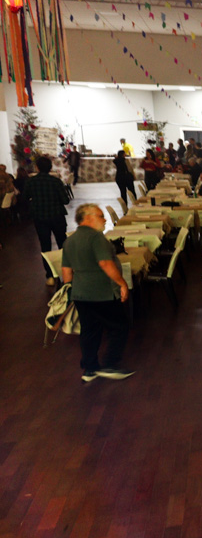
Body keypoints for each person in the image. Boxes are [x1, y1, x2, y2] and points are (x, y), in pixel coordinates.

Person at [59, 204, 133, 382]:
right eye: (100, 216)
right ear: (88, 218)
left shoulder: (70, 240)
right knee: (119, 326)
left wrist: (72, 291)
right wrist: (122, 283)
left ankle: (90, 369)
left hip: (80, 294)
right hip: (102, 292)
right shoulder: (96, 238)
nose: (105, 219)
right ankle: (110, 365)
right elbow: (105, 263)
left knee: (89, 331)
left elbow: (66, 272)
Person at [25, 156, 70, 285]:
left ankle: (50, 276)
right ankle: (67, 273)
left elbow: (25, 197)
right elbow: (65, 200)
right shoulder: (56, 181)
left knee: (45, 246)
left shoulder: (31, 182)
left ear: (37, 168)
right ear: (50, 168)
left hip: (40, 217)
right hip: (57, 216)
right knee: (63, 244)